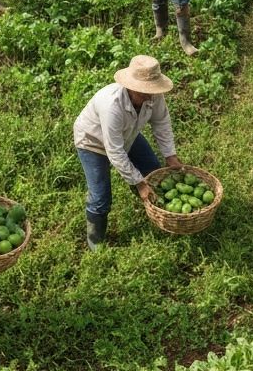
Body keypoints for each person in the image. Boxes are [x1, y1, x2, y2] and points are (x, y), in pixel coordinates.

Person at [73, 54, 183, 249]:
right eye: (144, 92)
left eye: (152, 91)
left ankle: (156, 209)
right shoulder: (112, 106)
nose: (149, 96)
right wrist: (138, 183)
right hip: (92, 141)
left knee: (153, 171)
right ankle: (95, 240)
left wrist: (170, 156)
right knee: (101, 198)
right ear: (130, 87)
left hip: (127, 134)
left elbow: (161, 123)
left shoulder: (154, 95)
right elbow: (114, 151)